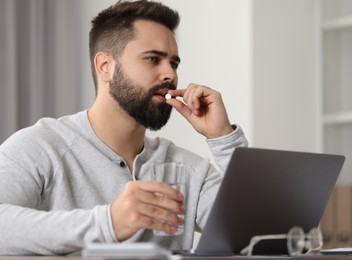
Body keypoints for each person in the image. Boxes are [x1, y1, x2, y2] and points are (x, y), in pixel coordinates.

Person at [0, 0, 248, 255]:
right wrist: (110, 223)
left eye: (174, 64)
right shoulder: (42, 146)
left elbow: (256, 236)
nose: (170, 75)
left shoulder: (190, 170)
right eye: (153, 59)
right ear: (105, 66)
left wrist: (223, 137)